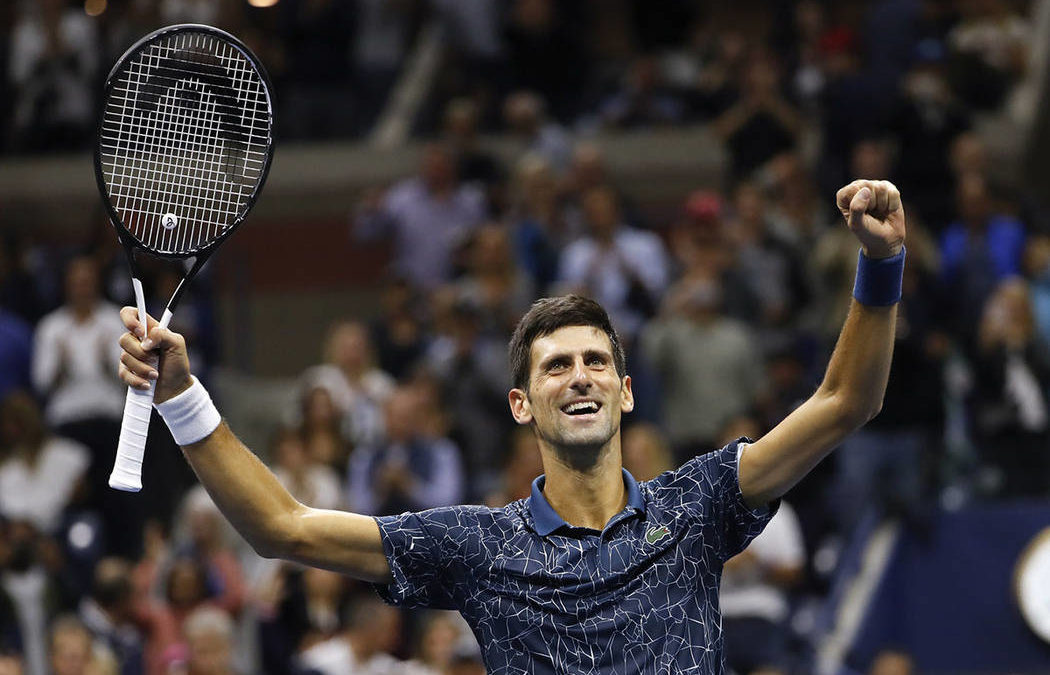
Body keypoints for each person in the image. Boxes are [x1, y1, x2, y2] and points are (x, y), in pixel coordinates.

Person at [116, 180, 906, 672]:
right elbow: (281, 526)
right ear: (522, 405)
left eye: (596, 361)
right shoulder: (478, 547)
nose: (580, 375)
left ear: (627, 391)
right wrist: (182, 394)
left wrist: (881, 266)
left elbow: (846, 402)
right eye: (555, 366)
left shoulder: (693, 507)